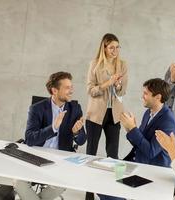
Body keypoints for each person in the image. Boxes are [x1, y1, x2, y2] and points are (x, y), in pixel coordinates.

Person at [14, 71, 87, 200]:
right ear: (54, 90)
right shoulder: (36, 108)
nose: (71, 91)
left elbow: (81, 141)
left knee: (61, 183)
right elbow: (30, 138)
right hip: (36, 154)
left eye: (71, 87)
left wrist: (76, 132)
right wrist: (53, 127)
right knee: (18, 183)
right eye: (67, 88)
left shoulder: (75, 108)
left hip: (60, 158)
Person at [85, 33, 128, 200]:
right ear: (104, 47)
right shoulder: (94, 64)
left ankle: (111, 194)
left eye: (117, 47)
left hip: (114, 114)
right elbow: (90, 90)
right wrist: (107, 84)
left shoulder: (123, 65)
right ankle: (88, 194)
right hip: (96, 114)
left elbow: (123, 91)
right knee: (91, 154)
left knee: (113, 156)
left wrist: (117, 85)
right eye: (111, 47)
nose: (115, 51)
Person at [120, 78, 175, 167]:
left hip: (153, 169)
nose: (142, 96)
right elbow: (139, 144)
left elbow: (151, 152)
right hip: (138, 161)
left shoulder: (168, 121)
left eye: (145, 93)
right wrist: (129, 129)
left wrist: (133, 128)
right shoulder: (148, 112)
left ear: (158, 97)